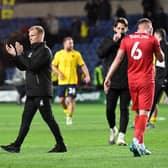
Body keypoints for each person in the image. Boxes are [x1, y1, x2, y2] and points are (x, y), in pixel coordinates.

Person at [1, 25, 67, 153]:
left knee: (48, 118)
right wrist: (16, 56)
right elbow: (23, 67)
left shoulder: (44, 51)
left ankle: (61, 145)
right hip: (32, 92)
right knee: (26, 119)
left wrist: (20, 55)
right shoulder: (34, 51)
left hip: (41, 91)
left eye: (33, 35)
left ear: (40, 36)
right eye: (29, 36)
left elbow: (32, 66)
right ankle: (16, 145)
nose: (30, 38)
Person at [104, 18, 164, 157]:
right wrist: (158, 47)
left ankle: (141, 145)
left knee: (138, 113)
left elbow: (117, 59)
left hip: (131, 81)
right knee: (145, 113)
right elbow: (161, 58)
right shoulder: (151, 39)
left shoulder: (127, 39)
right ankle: (136, 141)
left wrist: (108, 77)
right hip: (146, 80)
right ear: (149, 28)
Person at [97, 17, 130, 146]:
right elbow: (100, 53)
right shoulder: (108, 40)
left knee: (124, 108)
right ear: (114, 28)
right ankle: (113, 128)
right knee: (109, 109)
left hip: (127, 80)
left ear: (126, 29)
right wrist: (112, 42)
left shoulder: (129, 41)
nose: (120, 31)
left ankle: (121, 136)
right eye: (118, 28)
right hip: (111, 81)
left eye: (123, 28)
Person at [52, 37, 90, 125]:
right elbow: (53, 65)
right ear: (64, 44)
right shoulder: (59, 54)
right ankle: (66, 110)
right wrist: (59, 73)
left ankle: (69, 117)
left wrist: (87, 75)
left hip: (72, 81)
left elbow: (83, 65)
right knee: (61, 100)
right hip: (62, 82)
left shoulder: (76, 54)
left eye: (72, 43)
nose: (71, 45)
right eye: (69, 43)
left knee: (70, 99)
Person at [148, 28, 168, 128]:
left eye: (154, 35)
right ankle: (146, 121)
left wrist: (164, 78)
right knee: (153, 101)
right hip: (162, 79)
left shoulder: (160, 47)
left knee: (152, 101)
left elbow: (164, 64)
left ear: (158, 36)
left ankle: (145, 122)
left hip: (160, 79)